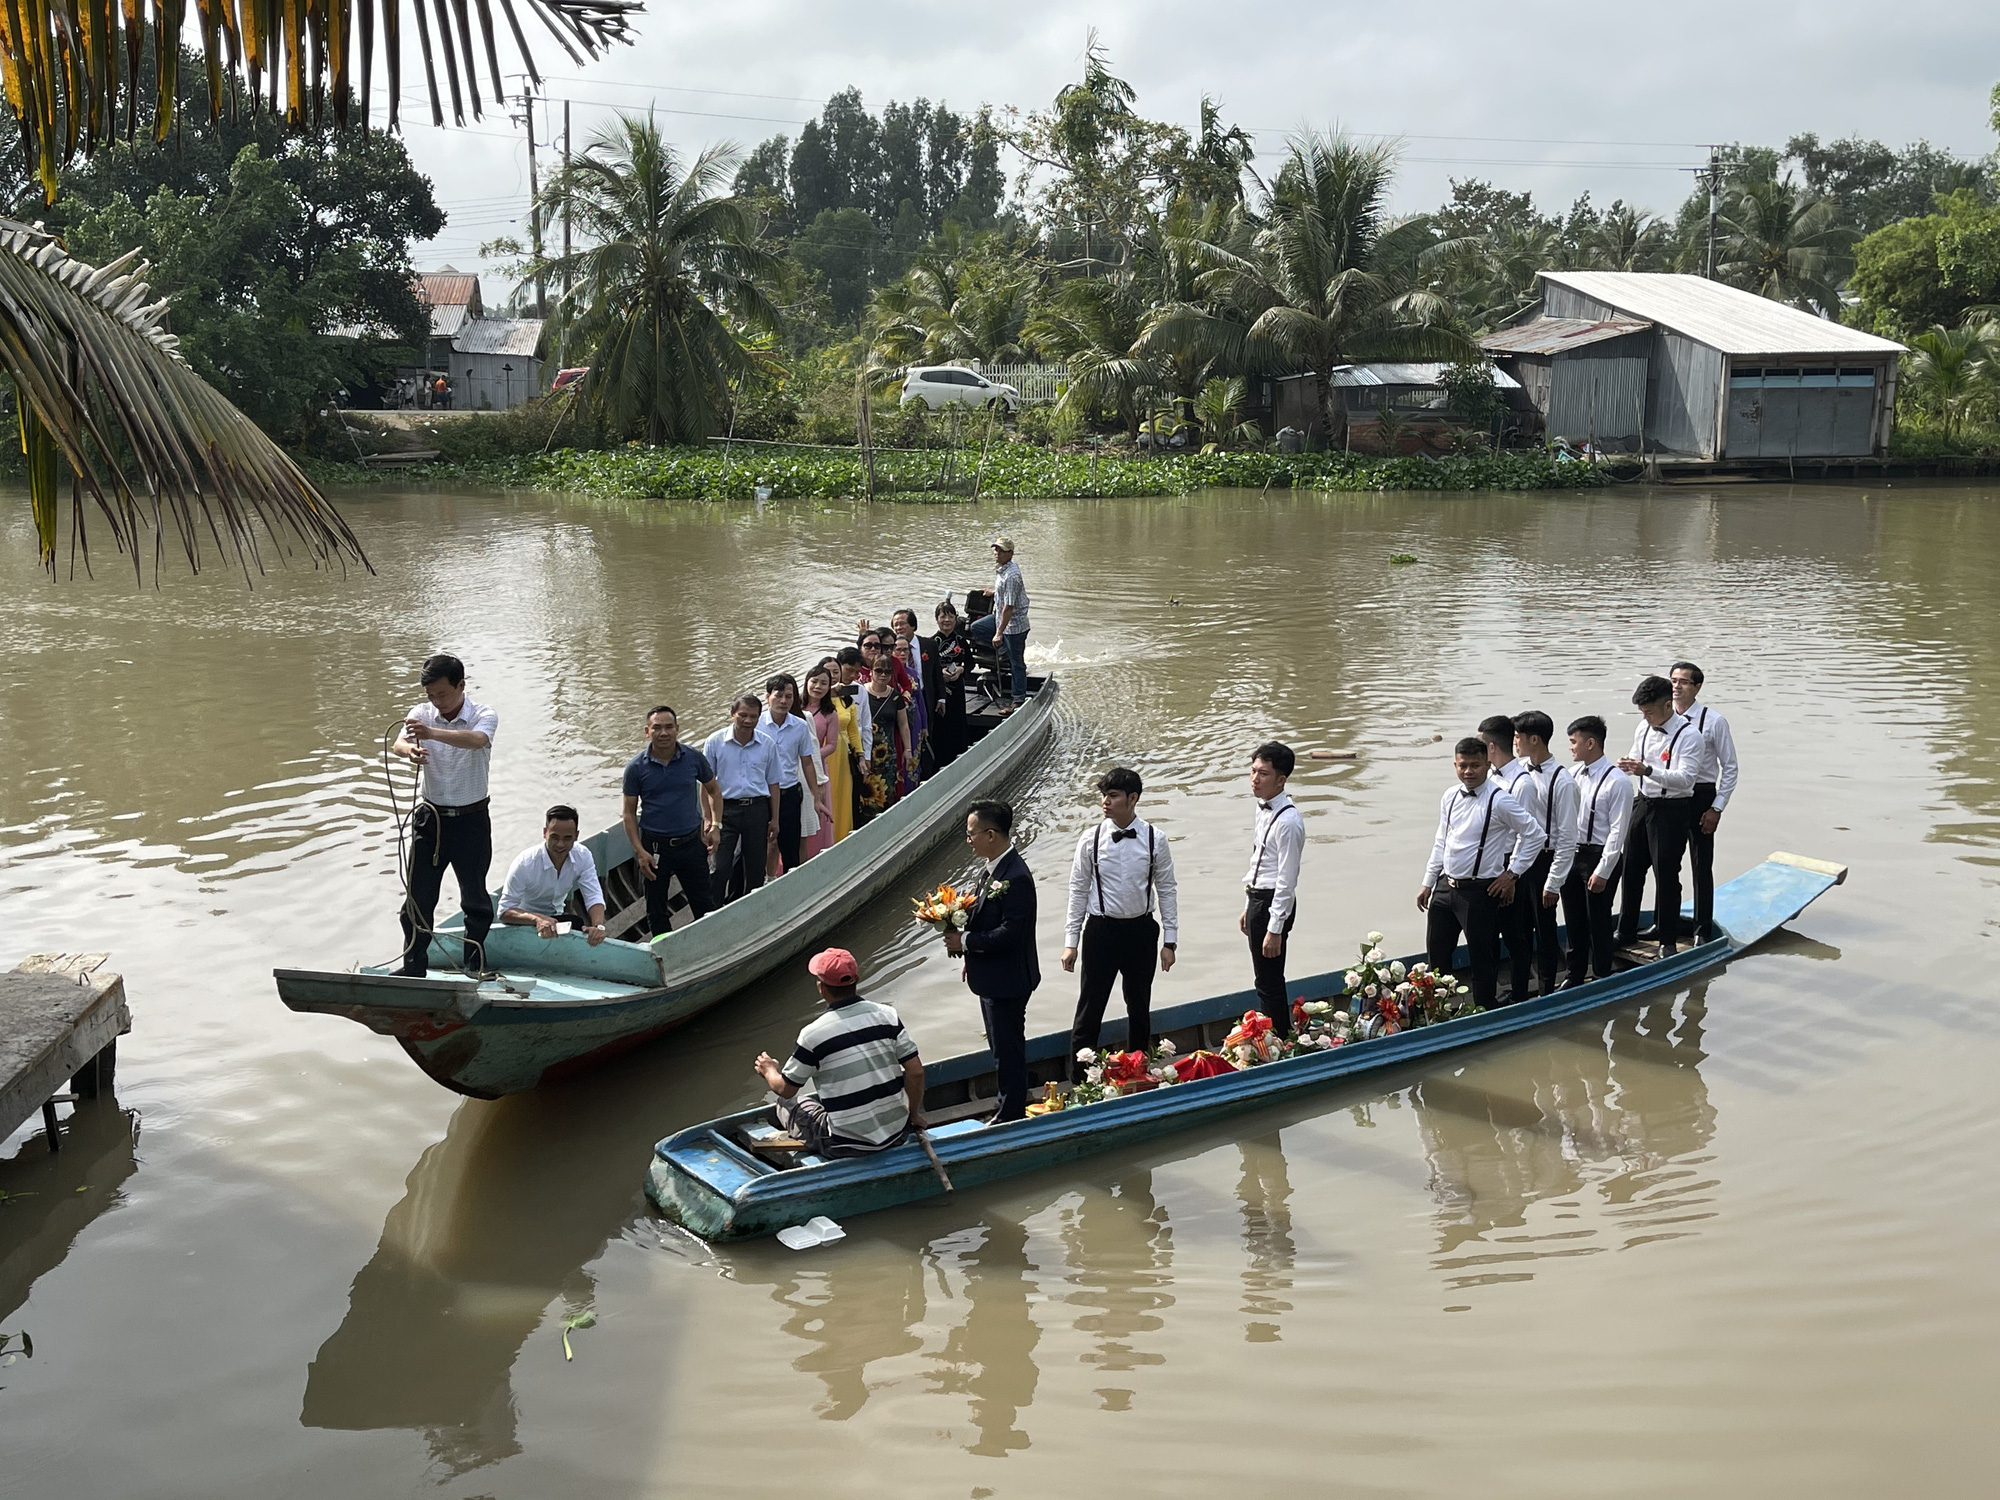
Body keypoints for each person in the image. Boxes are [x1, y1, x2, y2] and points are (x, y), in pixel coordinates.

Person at [753, 948, 925, 1157]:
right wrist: (913, 1115)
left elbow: (786, 1089)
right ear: (857, 980)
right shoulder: (887, 1015)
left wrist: (769, 1070)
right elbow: (916, 1072)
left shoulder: (813, 1035)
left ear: (820, 988)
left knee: (786, 1103)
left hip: (845, 1144)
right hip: (897, 1133)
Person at [1062, 767, 1179, 1074]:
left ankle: (1138, 1071)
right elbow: (1078, 889)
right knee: (1090, 1007)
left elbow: (1166, 889)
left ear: (1133, 798)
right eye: (1103, 795)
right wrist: (1070, 942)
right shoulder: (1091, 839)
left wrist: (1170, 941)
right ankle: (1078, 1079)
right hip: (1101, 931)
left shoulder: (1156, 839)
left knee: (1139, 1005)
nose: (1105, 802)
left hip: (1141, 931)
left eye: (1112, 796)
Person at [1417, 737, 1545, 1010]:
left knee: (1481, 959)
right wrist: (1428, 882)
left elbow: (1535, 834)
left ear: (1487, 764)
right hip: (1445, 888)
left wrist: (1512, 874)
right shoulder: (1449, 796)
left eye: (1475, 765)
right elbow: (1442, 840)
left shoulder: (1500, 800)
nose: (1468, 771)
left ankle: (1484, 1010)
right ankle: (1435, 1011)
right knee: (1437, 956)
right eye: (1463, 765)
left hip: (1479, 892)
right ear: (1455, 765)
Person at [392, 654, 499, 977]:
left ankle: (473, 965)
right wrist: (409, 750)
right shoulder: (421, 714)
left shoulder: (483, 714)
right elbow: (399, 741)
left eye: (442, 694)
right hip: (431, 820)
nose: (436, 701)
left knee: (475, 899)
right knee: (418, 899)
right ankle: (414, 967)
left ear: (461, 686)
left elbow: (478, 740)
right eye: (430, 695)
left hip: (471, 820)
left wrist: (433, 733)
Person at [943, 800, 1040, 1123]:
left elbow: (1011, 934)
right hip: (990, 976)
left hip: (1008, 980)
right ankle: (1011, 1099)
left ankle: (1011, 1113)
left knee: (1007, 1050)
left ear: (990, 834)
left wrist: (966, 941)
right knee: (1001, 1046)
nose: (967, 840)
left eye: (971, 834)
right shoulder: (990, 869)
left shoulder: (1016, 877)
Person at [1616, 675, 1702, 955]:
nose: (1646, 717)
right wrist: (1628, 766)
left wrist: (1648, 771)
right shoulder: (1643, 728)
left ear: (1667, 705)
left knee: (1666, 874)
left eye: (1649, 711)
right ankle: (1626, 930)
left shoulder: (1690, 736)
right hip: (1643, 803)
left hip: (1671, 810)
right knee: (1631, 868)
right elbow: (1636, 757)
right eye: (1642, 712)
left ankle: (1667, 940)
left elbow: (1687, 779)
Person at [622, 705, 720, 936]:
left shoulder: (693, 758)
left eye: (668, 727)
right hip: (655, 848)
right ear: (647, 731)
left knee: (704, 903)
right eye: (657, 728)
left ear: (677, 729)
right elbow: (628, 813)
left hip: (691, 843)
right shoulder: (636, 768)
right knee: (656, 909)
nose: (663, 733)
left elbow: (714, 790)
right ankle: (664, 955)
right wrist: (639, 851)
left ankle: (708, 945)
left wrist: (715, 825)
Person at [1504, 710, 1579, 998]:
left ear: (1534, 739)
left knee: (1545, 930)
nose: (1514, 743)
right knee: (1517, 930)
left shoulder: (1563, 781)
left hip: (1544, 861)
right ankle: (1519, 990)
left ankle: (1546, 991)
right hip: (1518, 858)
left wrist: (1553, 882)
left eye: (1517, 737)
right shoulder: (1518, 771)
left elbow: (1567, 837)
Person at [1561, 716, 1635, 987]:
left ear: (1590, 743)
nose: (1570, 747)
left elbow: (1618, 831)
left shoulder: (1618, 782)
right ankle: (1574, 974)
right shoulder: (1571, 775)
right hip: (1573, 854)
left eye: (1573, 741)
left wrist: (1603, 870)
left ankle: (1602, 973)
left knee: (1598, 919)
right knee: (1573, 918)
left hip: (1601, 855)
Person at [1670, 660, 1738, 942]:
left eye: (1683, 682)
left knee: (1700, 864)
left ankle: (1702, 929)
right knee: (1667, 863)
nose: (1676, 686)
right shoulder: (1663, 718)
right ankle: (1667, 923)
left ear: (1697, 687)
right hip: (1672, 794)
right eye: (1673, 680)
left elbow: (1730, 767)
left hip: (1701, 795)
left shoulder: (1713, 721)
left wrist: (1717, 807)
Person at [1240, 741, 1304, 1037]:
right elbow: (1260, 861)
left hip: (1273, 903)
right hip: (1258, 899)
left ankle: (1279, 1039)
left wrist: (1274, 928)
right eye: (1253, 771)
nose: (1255, 779)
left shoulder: (1288, 821)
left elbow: (1286, 879)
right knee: (1263, 978)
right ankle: (1276, 1036)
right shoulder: (1261, 810)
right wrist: (1247, 905)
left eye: (1263, 774)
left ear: (1281, 780)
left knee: (1269, 980)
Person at [703, 694, 782, 907]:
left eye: (753, 716)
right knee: (720, 867)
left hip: (757, 809)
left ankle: (751, 910)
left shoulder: (767, 744)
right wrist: (708, 818)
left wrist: (775, 819)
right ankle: (712, 912)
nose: (748, 721)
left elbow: (774, 783)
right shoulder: (715, 742)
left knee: (755, 868)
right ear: (732, 714)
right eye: (743, 715)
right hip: (725, 811)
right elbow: (706, 785)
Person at [497, 804, 609, 944]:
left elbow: (593, 895)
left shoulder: (583, 855)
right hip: (523, 923)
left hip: (556, 919)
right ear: (545, 833)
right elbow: (504, 912)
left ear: (576, 836)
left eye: (567, 838)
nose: (560, 845)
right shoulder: (525, 863)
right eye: (554, 837)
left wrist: (598, 926)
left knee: (578, 922)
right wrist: (537, 918)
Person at [760, 673, 820, 872]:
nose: (784, 701)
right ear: (768, 696)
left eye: (789, 696)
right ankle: (766, 882)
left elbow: (807, 763)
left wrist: (816, 797)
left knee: (790, 846)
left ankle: (791, 883)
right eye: (779, 695)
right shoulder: (756, 725)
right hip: (761, 795)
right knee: (766, 844)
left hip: (789, 793)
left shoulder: (800, 726)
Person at [969, 535, 1031, 710]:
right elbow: (1005, 593)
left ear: (1010, 553)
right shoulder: (1004, 569)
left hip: (1013, 626)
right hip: (1001, 619)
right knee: (976, 627)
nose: (996, 553)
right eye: (995, 549)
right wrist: (994, 592)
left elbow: (1009, 607)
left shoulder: (1012, 575)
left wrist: (998, 633)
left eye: (1001, 550)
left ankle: (1018, 699)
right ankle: (1004, 651)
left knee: (1016, 663)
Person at [802, 665, 854, 851]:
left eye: (823, 683)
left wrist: (809, 757)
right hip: (792, 768)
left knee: (818, 813)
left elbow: (831, 744)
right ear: (806, 682)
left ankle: (817, 852)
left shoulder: (829, 713)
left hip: (816, 768)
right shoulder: (796, 707)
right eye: (814, 681)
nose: (818, 686)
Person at [859, 655, 909, 820]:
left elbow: (903, 724)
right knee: (863, 795)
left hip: (886, 755)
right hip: (863, 752)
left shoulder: (895, 697)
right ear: (871, 671)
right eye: (878, 670)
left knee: (885, 793)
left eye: (887, 672)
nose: (883, 675)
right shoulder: (860, 693)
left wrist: (907, 749)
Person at [926, 600, 973, 770]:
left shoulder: (961, 641)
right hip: (940, 692)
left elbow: (970, 663)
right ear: (937, 619)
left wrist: (961, 670)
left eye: (950, 616)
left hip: (958, 689)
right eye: (943, 616)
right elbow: (927, 668)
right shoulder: (931, 643)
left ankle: (960, 758)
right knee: (941, 725)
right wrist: (940, 674)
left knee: (958, 721)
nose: (947, 620)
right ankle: (940, 762)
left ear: (955, 618)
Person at [891, 608, 933, 779]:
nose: (902, 653)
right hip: (896, 722)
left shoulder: (913, 674)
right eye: (898, 650)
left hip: (914, 721)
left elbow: (920, 700)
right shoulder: (888, 673)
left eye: (905, 650)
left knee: (914, 757)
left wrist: (924, 725)